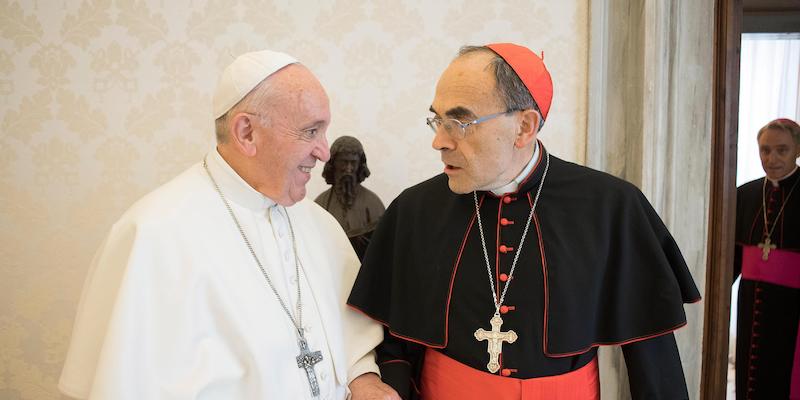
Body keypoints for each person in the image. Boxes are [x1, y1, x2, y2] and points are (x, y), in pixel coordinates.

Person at [347, 43, 701, 399]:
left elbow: (654, 362)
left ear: (524, 126)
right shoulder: (415, 210)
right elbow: (395, 343)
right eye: (437, 120)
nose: (439, 141)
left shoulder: (612, 208)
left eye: (459, 123)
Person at [58, 50, 399, 399]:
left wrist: (364, 381)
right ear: (246, 132)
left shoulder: (320, 225)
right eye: (310, 131)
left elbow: (353, 343)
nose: (324, 152)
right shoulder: (152, 235)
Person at [733, 118, 800, 399]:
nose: (771, 159)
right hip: (750, 300)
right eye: (765, 150)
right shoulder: (744, 194)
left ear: (797, 149)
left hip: (792, 307)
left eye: (781, 150)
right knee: (749, 372)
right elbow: (731, 258)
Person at [315, 135, 385, 259]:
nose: (348, 169)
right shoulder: (320, 204)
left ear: (360, 165)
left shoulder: (373, 204)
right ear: (333, 164)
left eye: (353, 163)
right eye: (343, 162)